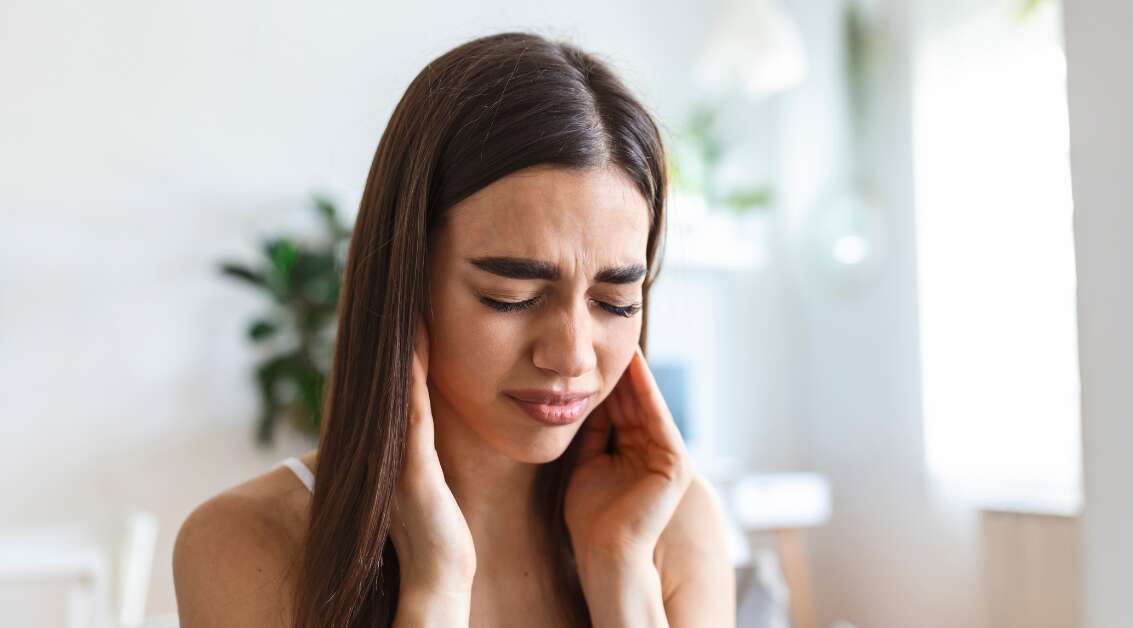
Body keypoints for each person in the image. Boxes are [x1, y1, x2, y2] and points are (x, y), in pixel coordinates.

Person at [172, 31, 736, 627]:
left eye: (615, 302)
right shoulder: (246, 543)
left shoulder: (671, 526)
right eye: (511, 296)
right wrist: (434, 586)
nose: (572, 355)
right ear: (407, 281)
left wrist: (620, 568)